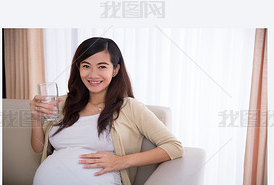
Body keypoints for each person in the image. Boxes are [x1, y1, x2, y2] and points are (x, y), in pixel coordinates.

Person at [30, 37, 183, 185]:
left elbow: (174, 147)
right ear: (78, 68)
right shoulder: (61, 103)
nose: (93, 74)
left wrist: (121, 161)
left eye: (102, 66)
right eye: (86, 66)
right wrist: (36, 119)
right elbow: (38, 150)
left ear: (115, 69)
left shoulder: (129, 107)